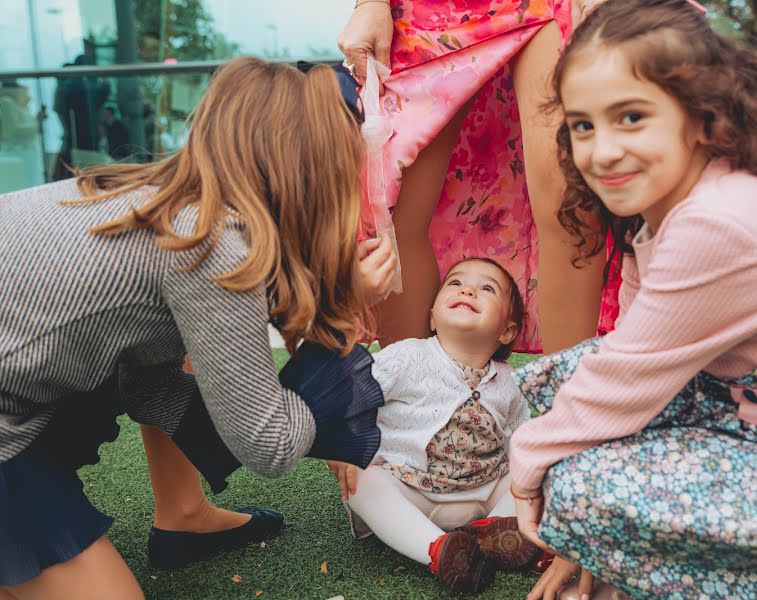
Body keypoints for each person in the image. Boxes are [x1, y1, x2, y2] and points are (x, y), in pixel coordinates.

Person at [505, 1, 757, 598]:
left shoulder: (718, 222)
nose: (602, 151)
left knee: (582, 480)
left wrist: (530, 471)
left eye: (631, 117)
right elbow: (623, 368)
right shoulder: (666, 212)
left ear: (698, 117)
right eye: (583, 125)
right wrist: (593, 544)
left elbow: (623, 382)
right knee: (569, 383)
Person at [0, 56, 397, 599]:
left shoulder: (171, 199)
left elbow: (145, 378)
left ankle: (181, 517)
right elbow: (270, 445)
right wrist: (342, 311)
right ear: (312, 171)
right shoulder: (214, 246)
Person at [337, 0, 621, 355]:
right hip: (429, 10)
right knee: (396, 210)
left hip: (556, 6)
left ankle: (571, 403)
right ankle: (412, 399)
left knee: (571, 199)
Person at [325, 258, 540, 594]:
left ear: (507, 331)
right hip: (412, 491)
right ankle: (439, 551)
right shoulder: (407, 357)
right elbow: (348, 393)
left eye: (486, 288)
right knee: (362, 480)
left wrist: (532, 474)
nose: (467, 289)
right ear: (432, 317)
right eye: (454, 283)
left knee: (533, 471)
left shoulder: (510, 381)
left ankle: (491, 531)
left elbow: (521, 437)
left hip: (483, 493)